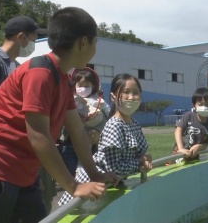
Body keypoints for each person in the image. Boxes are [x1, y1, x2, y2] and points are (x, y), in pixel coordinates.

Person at [0, 7, 118, 223]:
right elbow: (39, 135)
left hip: (18, 175)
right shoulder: (40, 73)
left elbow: (77, 130)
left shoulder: (63, 80)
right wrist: (74, 186)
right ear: (83, 43)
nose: (95, 49)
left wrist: (94, 174)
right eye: (96, 43)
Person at [59, 73, 152, 205]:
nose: (131, 97)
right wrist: (139, 163)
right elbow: (114, 167)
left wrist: (145, 159)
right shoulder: (114, 125)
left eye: (136, 93)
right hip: (92, 185)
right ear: (113, 97)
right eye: (126, 92)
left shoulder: (134, 124)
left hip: (106, 186)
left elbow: (141, 153)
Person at [59, 67, 112, 176]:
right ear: (74, 85)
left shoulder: (99, 102)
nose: (83, 88)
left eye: (87, 85)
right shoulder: (69, 100)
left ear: (93, 86)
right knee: (69, 172)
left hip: (92, 142)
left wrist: (99, 132)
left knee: (90, 171)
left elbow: (110, 115)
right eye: (80, 85)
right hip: (70, 143)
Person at [171, 87, 208, 163]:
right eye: (200, 104)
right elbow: (178, 130)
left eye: (207, 104)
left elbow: (207, 143)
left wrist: (199, 147)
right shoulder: (189, 116)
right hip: (178, 157)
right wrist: (181, 148)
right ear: (194, 105)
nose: (204, 107)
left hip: (194, 159)